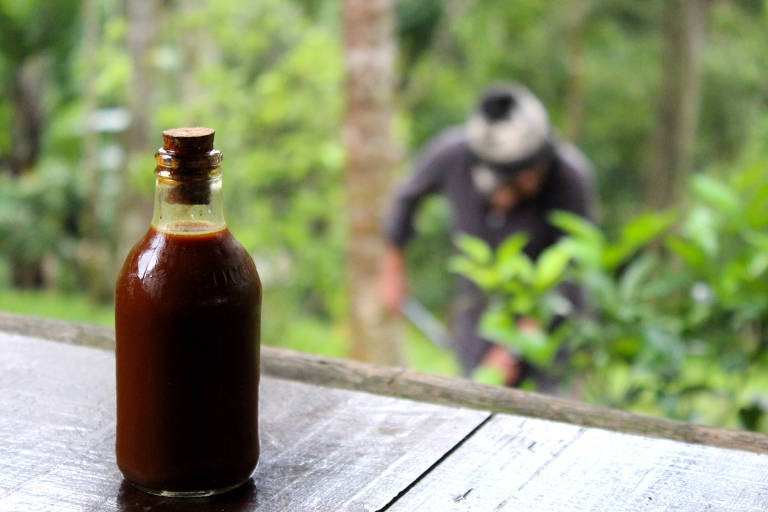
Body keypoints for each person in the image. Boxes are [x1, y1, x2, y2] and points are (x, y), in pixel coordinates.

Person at [379, 83, 594, 387]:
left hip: (548, 331)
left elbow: (575, 270)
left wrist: (515, 346)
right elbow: (406, 198)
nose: (532, 180)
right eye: (518, 178)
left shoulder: (570, 177)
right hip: (475, 318)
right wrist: (393, 268)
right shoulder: (454, 155)